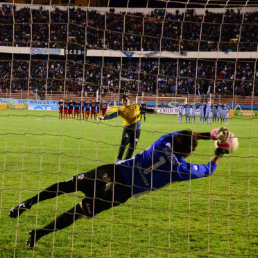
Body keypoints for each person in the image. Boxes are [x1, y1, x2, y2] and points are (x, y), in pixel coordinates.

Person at [9, 128, 231, 248]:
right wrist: (220, 150)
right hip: (121, 193)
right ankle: (38, 234)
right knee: (78, 211)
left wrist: (206, 134)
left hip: (110, 173)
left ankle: (27, 203)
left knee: (67, 186)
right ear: (190, 153)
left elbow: (181, 135)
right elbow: (208, 169)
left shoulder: (163, 142)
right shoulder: (182, 170)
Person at [100, 95, 156, 161]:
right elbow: (112, 115)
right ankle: (119, 159)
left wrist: (153, 111)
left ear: (129, 100)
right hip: (127, 129)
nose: (124, 101)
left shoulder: (136, 106)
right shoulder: (121, 110)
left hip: (137, 130)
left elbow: (145, 110)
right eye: (123, 100)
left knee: (133, 146)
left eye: (125, 100)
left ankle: (126, 160)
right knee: (123, 144)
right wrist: (104, 118)